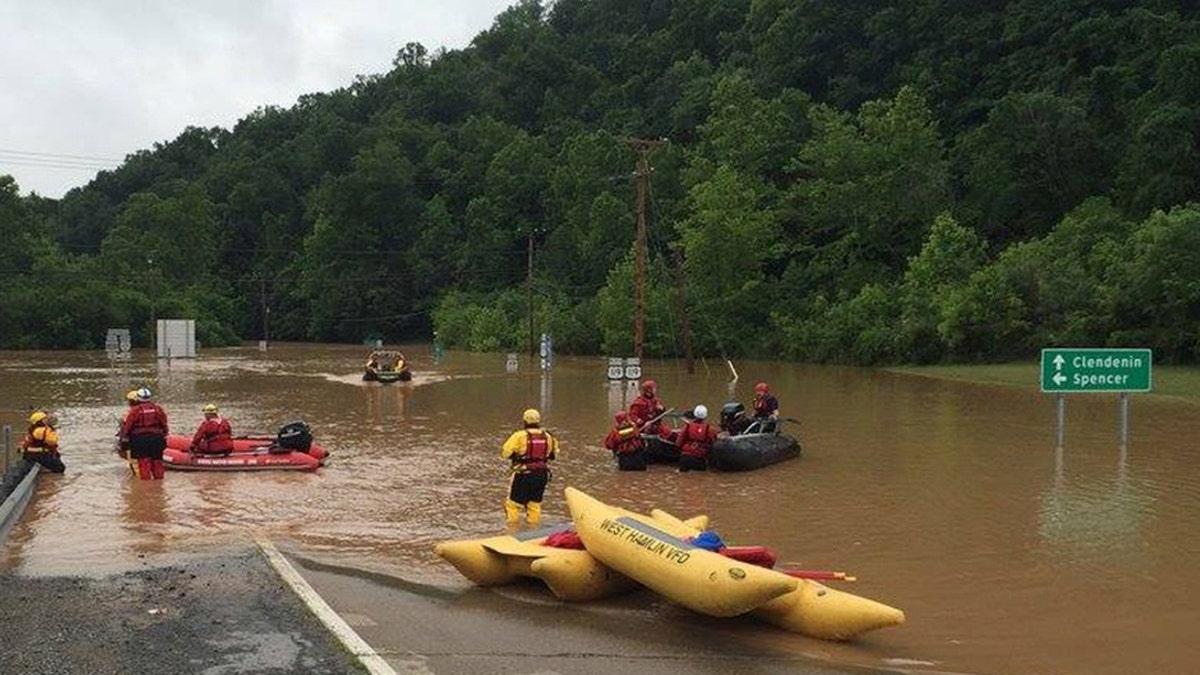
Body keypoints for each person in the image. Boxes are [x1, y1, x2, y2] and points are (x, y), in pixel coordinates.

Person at [500, 408, 559, 529]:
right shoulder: (548, 437)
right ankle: (533, 530)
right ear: (539, 421)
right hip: (542, 474)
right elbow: (554, 454)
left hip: (523, 473)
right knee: (534, 505)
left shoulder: (519, 436)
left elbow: (505, 453)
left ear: (524, 421)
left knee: (513, 505)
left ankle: (512, 531)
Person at [118, 387, 169, 480]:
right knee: (157, 463)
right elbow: (164, 424)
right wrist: (164, 435)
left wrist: (124, 439)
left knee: (144, 464)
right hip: (157, 439)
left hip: (140, 440)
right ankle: (159, 485)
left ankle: (146, 487)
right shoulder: (158, 409)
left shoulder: (135, 410)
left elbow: (128, 427)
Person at [674, 404, 718, 472]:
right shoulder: (709, 429)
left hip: (685, 458)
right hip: (699, 459)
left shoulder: (687, 427)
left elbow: (678, 443)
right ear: (705, 415)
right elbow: (714, 443)